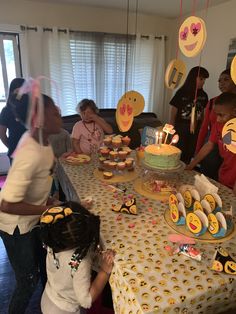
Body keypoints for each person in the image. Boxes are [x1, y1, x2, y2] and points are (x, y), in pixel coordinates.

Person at [0, 83, 62, 314]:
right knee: (27, 280)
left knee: (45, 268)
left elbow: (42, 180)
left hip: (32, 221)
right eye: (55, 112)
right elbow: (7, 204)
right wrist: (45, 210)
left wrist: (51, 202)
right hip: (15, 227)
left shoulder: (43, 142)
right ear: (39, 118)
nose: (60, 115)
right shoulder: (29, 152)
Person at [40, 201, 115, 314]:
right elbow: (86, 300)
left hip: (48, 298)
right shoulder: (80, 261)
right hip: (65, 310)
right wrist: (104, 271)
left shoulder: (54, 240)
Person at [186, 92, 236, 195]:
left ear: (234, 112)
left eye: (221, 115)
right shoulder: (218, 125)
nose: (217, 119)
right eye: (216, 114)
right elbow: (209, 144)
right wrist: (192, 164)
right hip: (224, 175)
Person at [195, 69, 236, 180]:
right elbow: (204, 128)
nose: (221, 83)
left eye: (226, 79)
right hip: (216, 143)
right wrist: (197, 151)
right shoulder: (213, 102)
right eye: (219, 81)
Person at [169, 66, 209, 164]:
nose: (203, 82)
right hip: (181, 127)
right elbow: (173, 111)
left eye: (204, 79)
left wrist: (202, 127)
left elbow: (203, 113)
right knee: (179, 150)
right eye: (201, 79)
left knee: (190, 150)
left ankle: (187, 168)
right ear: (193, 78)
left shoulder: (204, 95)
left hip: (196, 128)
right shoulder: (181, 92)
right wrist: (171, 129)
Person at [0, 78, 26, 164]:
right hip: (15, 151)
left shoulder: (30, 108)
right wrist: (11, 147)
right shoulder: (6, 110)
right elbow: (2, 134)